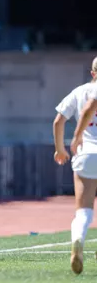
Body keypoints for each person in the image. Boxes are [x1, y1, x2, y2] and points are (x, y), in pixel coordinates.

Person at [58, 57, 97, 274]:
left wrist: (60, 149)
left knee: (83, 212)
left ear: (92, 72)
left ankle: (78, 242)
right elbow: (92, 106)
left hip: (86, 155)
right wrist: (77, 134)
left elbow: (58, 121)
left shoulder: (79, 91)